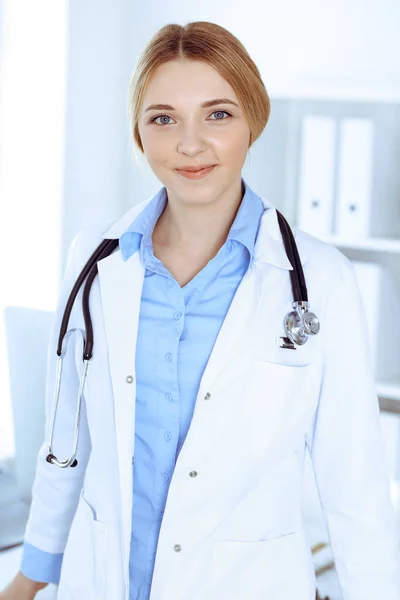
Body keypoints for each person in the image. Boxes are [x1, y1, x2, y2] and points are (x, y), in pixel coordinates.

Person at [2, 20, 400, 600]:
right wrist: (28, 577)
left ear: (252, 122)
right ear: (139, 134)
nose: (190, 144)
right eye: (163, 118)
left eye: (218, 114)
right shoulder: (94, 261)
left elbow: (354, 487)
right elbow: (66, 443)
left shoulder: (321, 281)